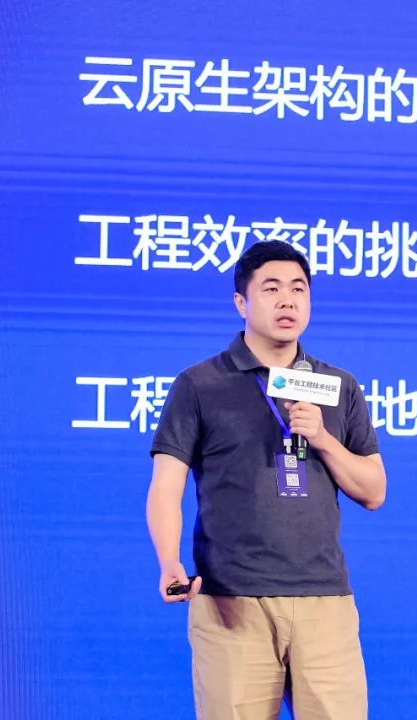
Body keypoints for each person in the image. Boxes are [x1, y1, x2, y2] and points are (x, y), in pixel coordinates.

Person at [146, 240, 386, 720]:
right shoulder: (200, 384)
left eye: (298, 289)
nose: (287, 301)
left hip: (325, 601)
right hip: (231, 603)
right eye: (271, 289)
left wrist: (322, 438)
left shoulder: (337, 386)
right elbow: (166, 485)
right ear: (241, 302)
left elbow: (374, 490)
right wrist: (169, 560)